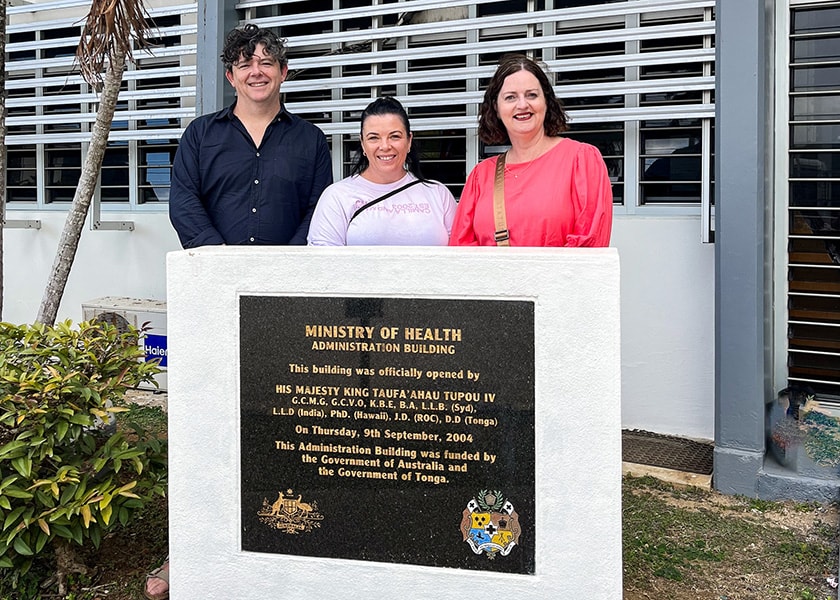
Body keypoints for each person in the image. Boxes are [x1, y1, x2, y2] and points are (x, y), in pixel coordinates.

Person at [168, 23, 331, 249]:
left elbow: (319, 208)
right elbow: (183, 201)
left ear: (283, 72)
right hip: (214, 270)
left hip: (287, 274)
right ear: (231, 77)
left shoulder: (311, 140)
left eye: (266, 63)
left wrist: (290, 258)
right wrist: (217, 254)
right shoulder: (200, 135)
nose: (256, 72)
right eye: (245, 65)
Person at [448, 54, 612, 247]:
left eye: (531, 95)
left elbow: (590, 245)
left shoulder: (581, 160)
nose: (522, 105)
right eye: (510, 97)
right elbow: (461, 249)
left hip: (560, 277)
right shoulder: (481, 176)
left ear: (546, 101)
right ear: (496, 108)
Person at [307, 96, 455, 246]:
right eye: (373, 138)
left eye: (395, 136)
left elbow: (460, 257)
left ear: (409, 141)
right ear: (362, 144)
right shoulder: (337, 197)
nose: (385, 146)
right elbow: (323, 264)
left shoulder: (438, 194)